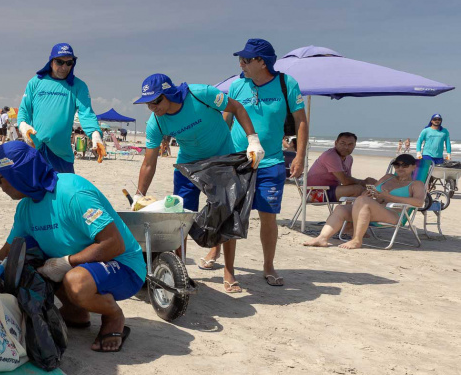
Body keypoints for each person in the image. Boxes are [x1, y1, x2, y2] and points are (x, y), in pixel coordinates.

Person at [0, 142, 144, 352]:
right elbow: (7, 254)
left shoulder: (72, 192)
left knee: (75, 281)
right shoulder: (25, 207)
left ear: (18, 174)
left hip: (124, 266)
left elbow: (114, 244)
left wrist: (66, 262)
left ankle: (114, 315)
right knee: (25, 259)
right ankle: (75, 311)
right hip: (85, 264)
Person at [133, 74, 262, 292]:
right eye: (148, 103)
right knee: (179, 220)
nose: (152, 107)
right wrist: (139, 194)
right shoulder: (156, 122)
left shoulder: (201, 94)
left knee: (228, 217)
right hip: (188, 166)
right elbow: (149, 161)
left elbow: (237, 107)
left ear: (169, 94)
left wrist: (253, 139)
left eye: (156, 101)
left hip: (222, 161)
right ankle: (180, 269)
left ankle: (229, 271)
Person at [201, 39, 309, 289]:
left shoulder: (287, 84)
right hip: (237, 160)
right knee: (231, 215)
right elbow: (224, 122)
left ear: (263, 62)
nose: (242, 63)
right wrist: (217, 157)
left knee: (268, 216)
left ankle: (268, 265)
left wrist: (300, 156)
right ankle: (228, 271)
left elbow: (301, 121)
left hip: (271, 161)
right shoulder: (237, 86)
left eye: (247, 60)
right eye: (241, 59)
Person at [304, 154, 426, 249]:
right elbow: (371, 192)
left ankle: (357, 240)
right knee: (341, 208)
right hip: (371, 209)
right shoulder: (388, 177)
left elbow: (419, 202)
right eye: (397, 165)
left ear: (413, 167)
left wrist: (389, 197)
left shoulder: (416, 184)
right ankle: (322, 238)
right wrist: (366, 193)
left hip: (394, 214)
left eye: (405, 165)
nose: (400, 168)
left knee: (363, 201)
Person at [18, 43, 106, 172]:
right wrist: (22, 125)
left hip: (61, 155)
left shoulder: (78, 86)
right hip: (35, 149)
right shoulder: (35, 82)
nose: (64, 67)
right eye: (59, 62)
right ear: (51, 61)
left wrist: (95, 134)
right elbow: (24, 109)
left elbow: (86, 113)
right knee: (35, 191)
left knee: (63, 191)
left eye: (69, 63)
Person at [306, 132, 377, 200]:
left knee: (365, 188)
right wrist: (364, 182)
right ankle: (349, 211)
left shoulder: (349, 158)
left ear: (355, 145)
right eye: (343, 143)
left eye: (350, 144)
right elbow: (345, 181)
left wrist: (367, 183)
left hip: (330, 190)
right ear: (336, 143)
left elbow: (349, 182)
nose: (346, 147)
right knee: (358, 189)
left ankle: (350, 210)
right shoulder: (331, 156)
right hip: (313, 193)